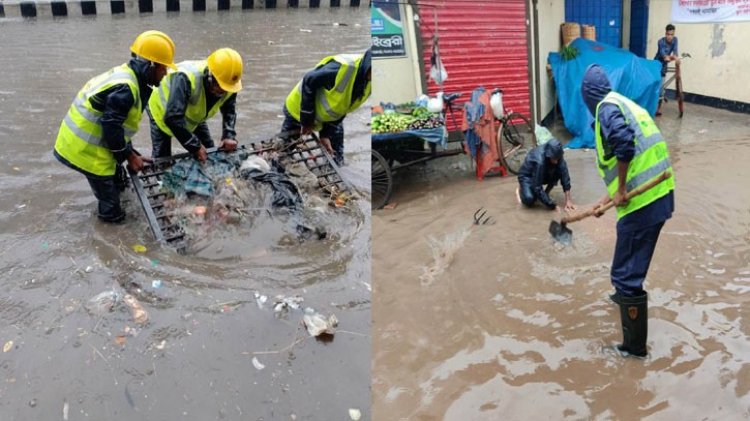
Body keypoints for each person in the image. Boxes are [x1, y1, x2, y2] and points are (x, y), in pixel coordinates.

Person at [581, 64, 675, 358]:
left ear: (588, 97)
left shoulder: (606, 111)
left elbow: (625, 145)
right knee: (625, 266)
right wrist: (605, 198)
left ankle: (634, 350)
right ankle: (624, 299)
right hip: (658, 195)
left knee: (626, 275)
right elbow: (627, 160)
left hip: (644, 203)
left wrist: (621, 190)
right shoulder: (623, 103)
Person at [53, 30, 177, 223]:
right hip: (85, 150)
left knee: (121, 183)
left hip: (95, 144)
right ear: (151, 66)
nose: (165, 73)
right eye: (163, 68)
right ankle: (111, 234)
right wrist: (127, 156)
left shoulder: (130, 77)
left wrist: (131, 153)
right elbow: (111, 126)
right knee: (112, 209)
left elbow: (117, 126)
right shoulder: (126, 88)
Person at [148, 48, 243, 163]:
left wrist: (229, 135)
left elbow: (229, 109)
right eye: (219, 86)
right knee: (162, 160)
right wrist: (195, 146)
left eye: (225, 88)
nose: (222, 91)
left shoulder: (229, 82)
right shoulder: (185, 77)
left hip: (194, 114)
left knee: (209, 152)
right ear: (210, 75)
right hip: (162, 109)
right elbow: (172, 118)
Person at [281, 49, 372, 166]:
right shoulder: (344, 68)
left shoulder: (369, 81)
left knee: (336, 156)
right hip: (299, 109)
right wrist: (307, 121)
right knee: (284, 150)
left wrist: (325, 134)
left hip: (332, 118)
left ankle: (335, 172)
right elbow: (309, 79)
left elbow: (343, 105)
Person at [517, 139, 575, 212]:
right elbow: (537, 187)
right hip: (528, 176)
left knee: (558, 169)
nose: (556, 161)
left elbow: (565, 176)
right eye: (554, 159)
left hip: (543, 172)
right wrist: (552, 206)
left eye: (558, 158)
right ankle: (521, 190)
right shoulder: (539, 161)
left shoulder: (557, 155)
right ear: (548, 155)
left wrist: (568, 200)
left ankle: (545, 194)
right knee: (530, 199)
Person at [654, 24, 679, 116]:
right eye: (668, 34)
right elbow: (663, 54)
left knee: (661, 88)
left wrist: (676, 58)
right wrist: (668, 57)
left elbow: (675, 51)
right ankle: (652, 104)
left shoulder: (675, 40)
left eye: (672, 34)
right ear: (665, 34)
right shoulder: (660, 41)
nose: (670, 37)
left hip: (664, 66)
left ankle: (659, 108)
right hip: (657, 64)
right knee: (655, 85)